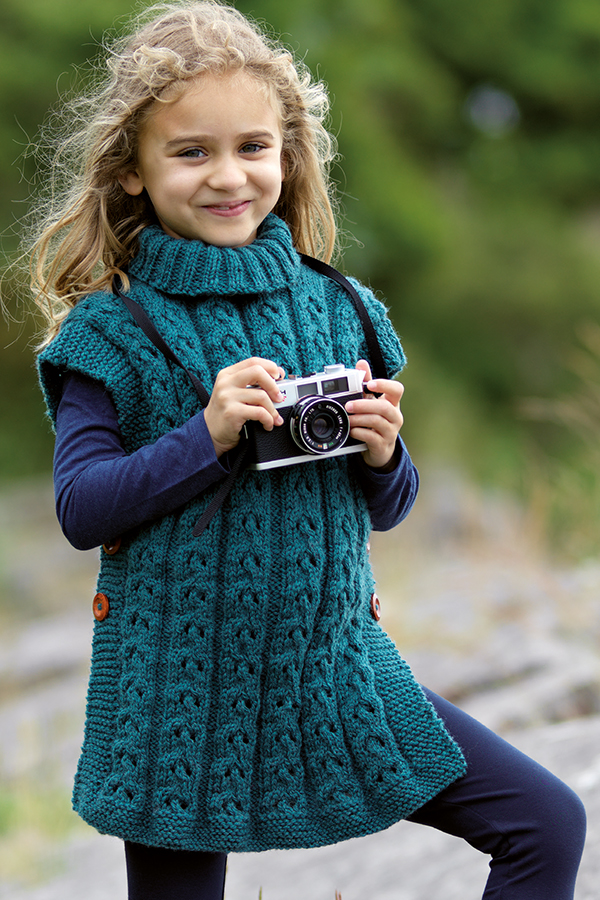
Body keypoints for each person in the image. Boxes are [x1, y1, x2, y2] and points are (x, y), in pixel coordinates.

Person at [30, 2, 585, 898]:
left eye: (253, 147)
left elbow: (388, 507)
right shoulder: (114, 331)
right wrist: (206, 435)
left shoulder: (345, 307)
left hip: (335, 669)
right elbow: (83, 509)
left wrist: (380, 456)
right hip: (181, 695)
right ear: (132, 171)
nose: (228, 176)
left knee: (545, 822)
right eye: (191, 151)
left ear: (287, 157)